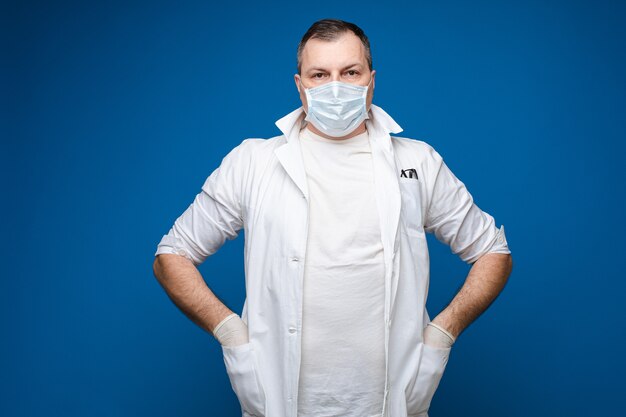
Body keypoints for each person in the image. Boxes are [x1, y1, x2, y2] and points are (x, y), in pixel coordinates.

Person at [153, 18, 512, 417]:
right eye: (319, 74)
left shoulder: (417, 163)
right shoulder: (252, 163)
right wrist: (230, 332)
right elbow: (172, 255)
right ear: (299, 84)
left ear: (371, 81)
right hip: (277, 401)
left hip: (392, 403)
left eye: (350, 72)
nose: (335, 86)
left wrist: (443, 333)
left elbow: (492, 251)